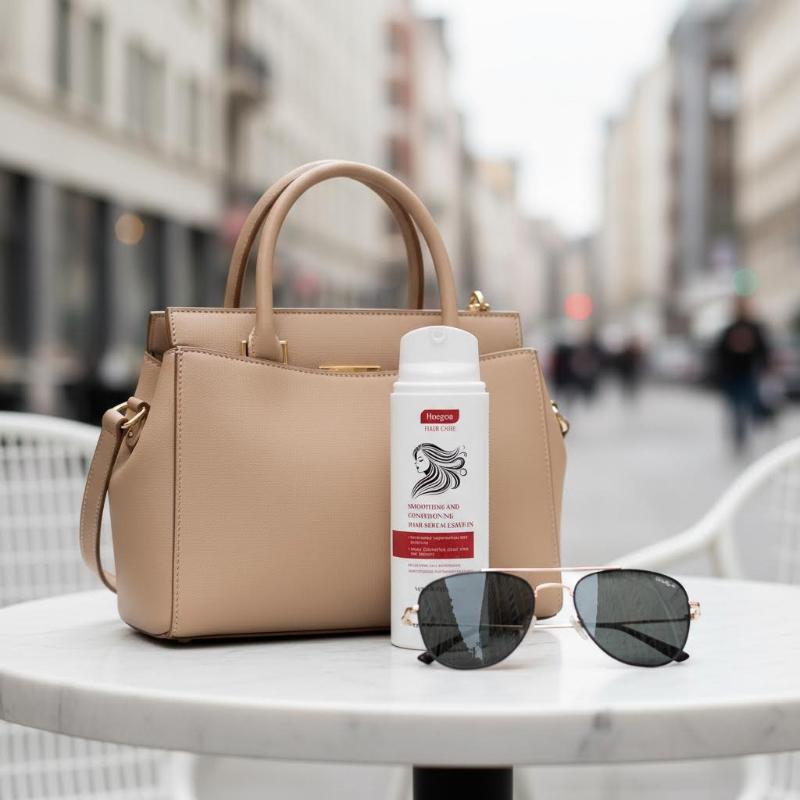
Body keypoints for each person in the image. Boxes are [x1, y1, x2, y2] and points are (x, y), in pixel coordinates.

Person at [713, 297, 772, 450]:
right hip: (732, 374)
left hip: (748, 373)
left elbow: (763, 350)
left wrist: (765, 367)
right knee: (736, 407)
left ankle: (753, 423)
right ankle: (739, 433)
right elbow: (719, 353)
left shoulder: (755, 329)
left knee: (748, 403)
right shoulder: (729, 330)